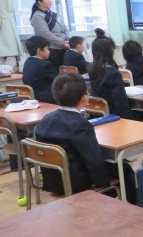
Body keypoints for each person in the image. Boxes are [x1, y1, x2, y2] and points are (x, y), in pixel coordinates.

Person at [35, 73, 136, 203]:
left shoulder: (45, 119)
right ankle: (134, 208)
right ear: (84, 98)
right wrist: (103, 186)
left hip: (54, 182)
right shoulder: (80, 124)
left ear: (55, 96)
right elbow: (94, 161)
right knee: (124, 168)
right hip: (76, 182)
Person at [89, 37, 132, 119]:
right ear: (109, 51)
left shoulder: (91, 69)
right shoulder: (113, 73)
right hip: (113, 115)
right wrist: (129, 120)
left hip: (98, 113)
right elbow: (120, 102)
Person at [30, 0, 69, 67]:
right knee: (56, 72)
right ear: (40, 2)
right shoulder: (37, 17)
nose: (50, 1)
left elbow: (65, 29)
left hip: (64, 46)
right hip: (52, 49)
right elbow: (46, 35)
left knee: (67, 71)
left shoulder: (54, 14)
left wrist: (69, 40)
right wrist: (62, 43)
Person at [22, 35, 58, 103]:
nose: (49, 51)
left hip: (32, 98)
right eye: (47, 49)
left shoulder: (27, 62)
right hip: (47, 99)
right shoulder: (45, 65)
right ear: (39, 51)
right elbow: (60, 79)